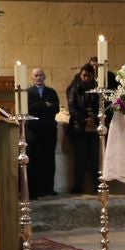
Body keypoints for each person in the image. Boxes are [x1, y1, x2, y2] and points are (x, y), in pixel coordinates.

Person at [25, 68, 60, 199]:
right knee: (35, 160)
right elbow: (29, 108)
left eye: (41, 75)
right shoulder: (28, 92)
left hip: (49, 130)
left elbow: (55, 109)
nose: (38, 78)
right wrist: (45, 104)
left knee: (49, 159)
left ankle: (48, 188)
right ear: (32, 78)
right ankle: (37, 189)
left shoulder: (51, 92)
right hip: (34, 131)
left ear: (44, 77)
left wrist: (39, 107)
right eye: (36, 75)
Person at [66, 63, 100, 194]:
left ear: (93, 76)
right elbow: (72, 107)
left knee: (94, 158)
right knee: (80, 158)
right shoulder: (74, 88)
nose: (86, 78)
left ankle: (97, 185)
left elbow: (101, 106)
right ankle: (78, 186)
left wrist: (95, 120)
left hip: (94, 128)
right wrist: (84, 120)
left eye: (89, 76)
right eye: (84, 75)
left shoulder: (97, 88)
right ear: (81, 75)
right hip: (79, 128)